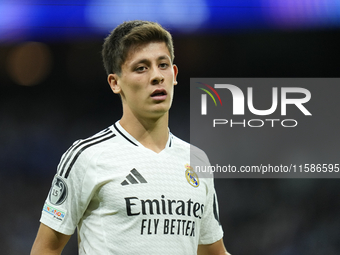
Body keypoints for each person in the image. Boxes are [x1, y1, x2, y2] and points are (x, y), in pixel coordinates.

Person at [31, 20, 229, 255]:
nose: (157, 76)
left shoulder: (196, 159)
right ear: (115, 82)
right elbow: (46, 249)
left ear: (174, 74)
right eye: (141, 68)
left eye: (163, 65)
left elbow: (213, 251)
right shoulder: (87, 156)